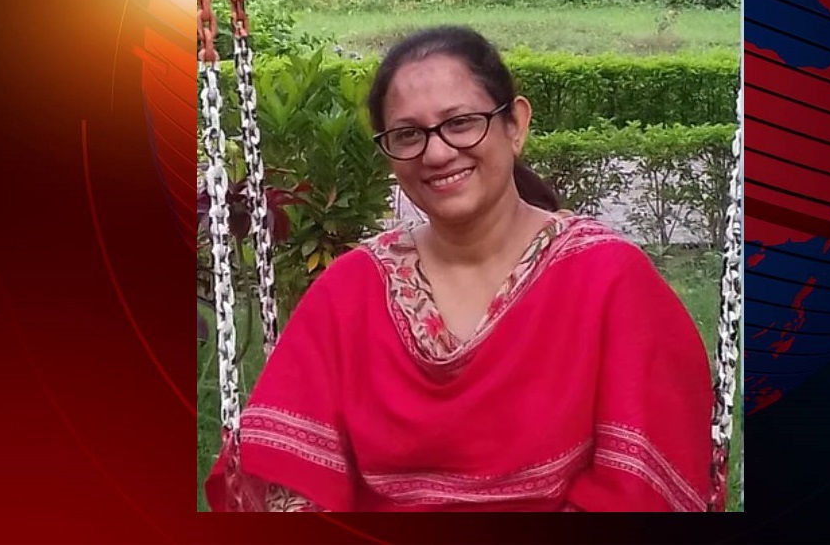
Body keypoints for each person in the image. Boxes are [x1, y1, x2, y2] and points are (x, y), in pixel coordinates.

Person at [206, 26, 714, 512]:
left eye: (461, 123)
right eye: (408, 134)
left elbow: (644, 482)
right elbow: (287, 480)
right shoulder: (351, 293)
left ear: (515, 124)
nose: (437, 152)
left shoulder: (607, 280)